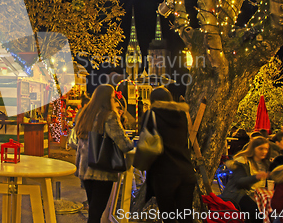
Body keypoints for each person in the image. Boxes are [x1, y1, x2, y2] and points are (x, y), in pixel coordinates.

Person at [74, 84, 133, 223]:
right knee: (96, 212)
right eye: (113, 98)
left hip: (86, 167)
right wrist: (132, 143)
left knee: (93, 209)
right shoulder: (108, 115)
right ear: (108, 99)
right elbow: (122, 142)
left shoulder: (85, 113)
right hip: (102, 169)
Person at [143, 86, 196, 223]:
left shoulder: (151, 115)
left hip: (164, 173)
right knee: (186, 216)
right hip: (185, 171)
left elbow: (145, 142)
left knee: (168, 216)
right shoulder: (181, 115)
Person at [220, 136, 270, 223]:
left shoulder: (265, 163)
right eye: (261, 149)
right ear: (253, 149)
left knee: (273, 209)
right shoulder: (243, 161)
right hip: (238, 194)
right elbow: (240, 182)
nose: (264, 152)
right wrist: (256, 177)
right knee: (256, 212)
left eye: (266, 149)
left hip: (258, 195)